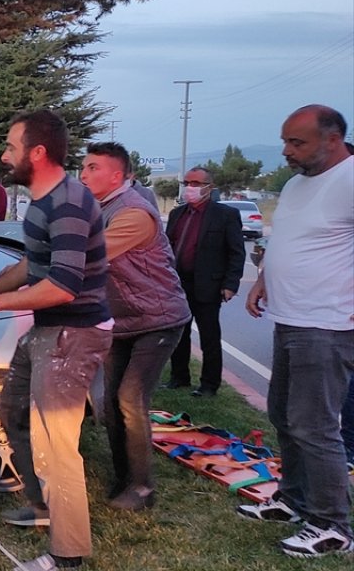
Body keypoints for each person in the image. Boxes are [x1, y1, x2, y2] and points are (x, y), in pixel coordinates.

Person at [0, 109, 111, 571]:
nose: (4, 155)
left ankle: (68, 556)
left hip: (73, 333)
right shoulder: (42, 202)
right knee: (12, 410)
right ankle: (46, 504)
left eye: (10, 146)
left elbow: (63, 285)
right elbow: (34, 265)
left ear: (37, 153)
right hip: (50, 329)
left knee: (55, 444)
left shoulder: (68, 203)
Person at [241, 105, 352, 558]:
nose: (287, 151)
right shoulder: (294, 184)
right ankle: (294, 500)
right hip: (289, 318)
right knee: (284, 416)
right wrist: (265, 281)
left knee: (315, 425)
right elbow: (287, 240)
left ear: (333, 139)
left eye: (297, 143)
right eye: (285, 141)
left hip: (327, 324)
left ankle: (332, 526)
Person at [79, 142, 190, 511]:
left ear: (117, 175)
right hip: (121, 318)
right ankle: (124, 475)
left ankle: (142, 488)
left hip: (157, 319)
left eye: (93, 167)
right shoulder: (97, 208)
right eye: (83, 167)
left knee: (130, 397)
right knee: (110, 402)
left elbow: (85, 256)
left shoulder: (133, 213)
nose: (83, 174)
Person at [162, 166, 244, 396]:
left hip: (209, 285)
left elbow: (236, 252)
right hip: (178, 285)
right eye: (187, 183)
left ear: (209, 187)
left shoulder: (225, 215)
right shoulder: (178, 214)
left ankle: (209, 384)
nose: (190, 188)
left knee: (209, 337)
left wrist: (230, 284)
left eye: (196, 184)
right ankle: (179, 377)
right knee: (179, 333)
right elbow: (167, 247)